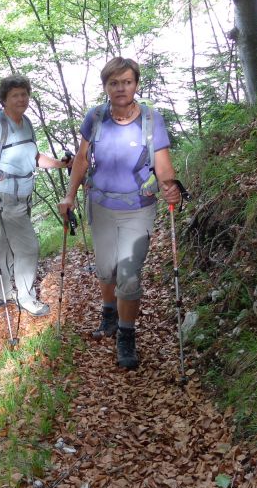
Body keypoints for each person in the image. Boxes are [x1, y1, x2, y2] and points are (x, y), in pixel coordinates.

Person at [58, 58, 181, 369]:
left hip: (138, 208)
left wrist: (170, 187)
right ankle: (109, 312)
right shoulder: (96, 117)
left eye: (126, 82)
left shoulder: (151, 120)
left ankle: (126, 334)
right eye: (114, 83)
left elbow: (163, 164)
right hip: (100, 205)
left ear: (136, 84)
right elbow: (82, 160)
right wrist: (69, 195)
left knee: (128, 277)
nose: (121, 88)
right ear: (106, 87)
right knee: (105, 269)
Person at [0, 74, 70, 317]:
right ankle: (26, 298)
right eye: (15, 95)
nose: (21, 99)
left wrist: (60, 163)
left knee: (7, 243)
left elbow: (34, 157)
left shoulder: (25, 121)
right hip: (5, 197)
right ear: (4, 99)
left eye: (24, 94)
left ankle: (1, 293)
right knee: (28, 247)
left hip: (23, 194)